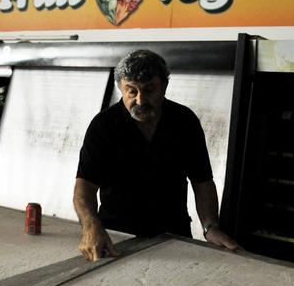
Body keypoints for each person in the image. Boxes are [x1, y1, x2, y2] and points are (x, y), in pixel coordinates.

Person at [73, 49, 238, 261]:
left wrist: (210, 228)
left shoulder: (184, 121)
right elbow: (84, 187)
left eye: (149, 90)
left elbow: (202, 182)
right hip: (116, 236)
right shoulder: (103, 126)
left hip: (173, 234)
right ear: (120, 88)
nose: (140, 100)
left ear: (164, 87)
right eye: (131, 91)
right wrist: (91, 225)